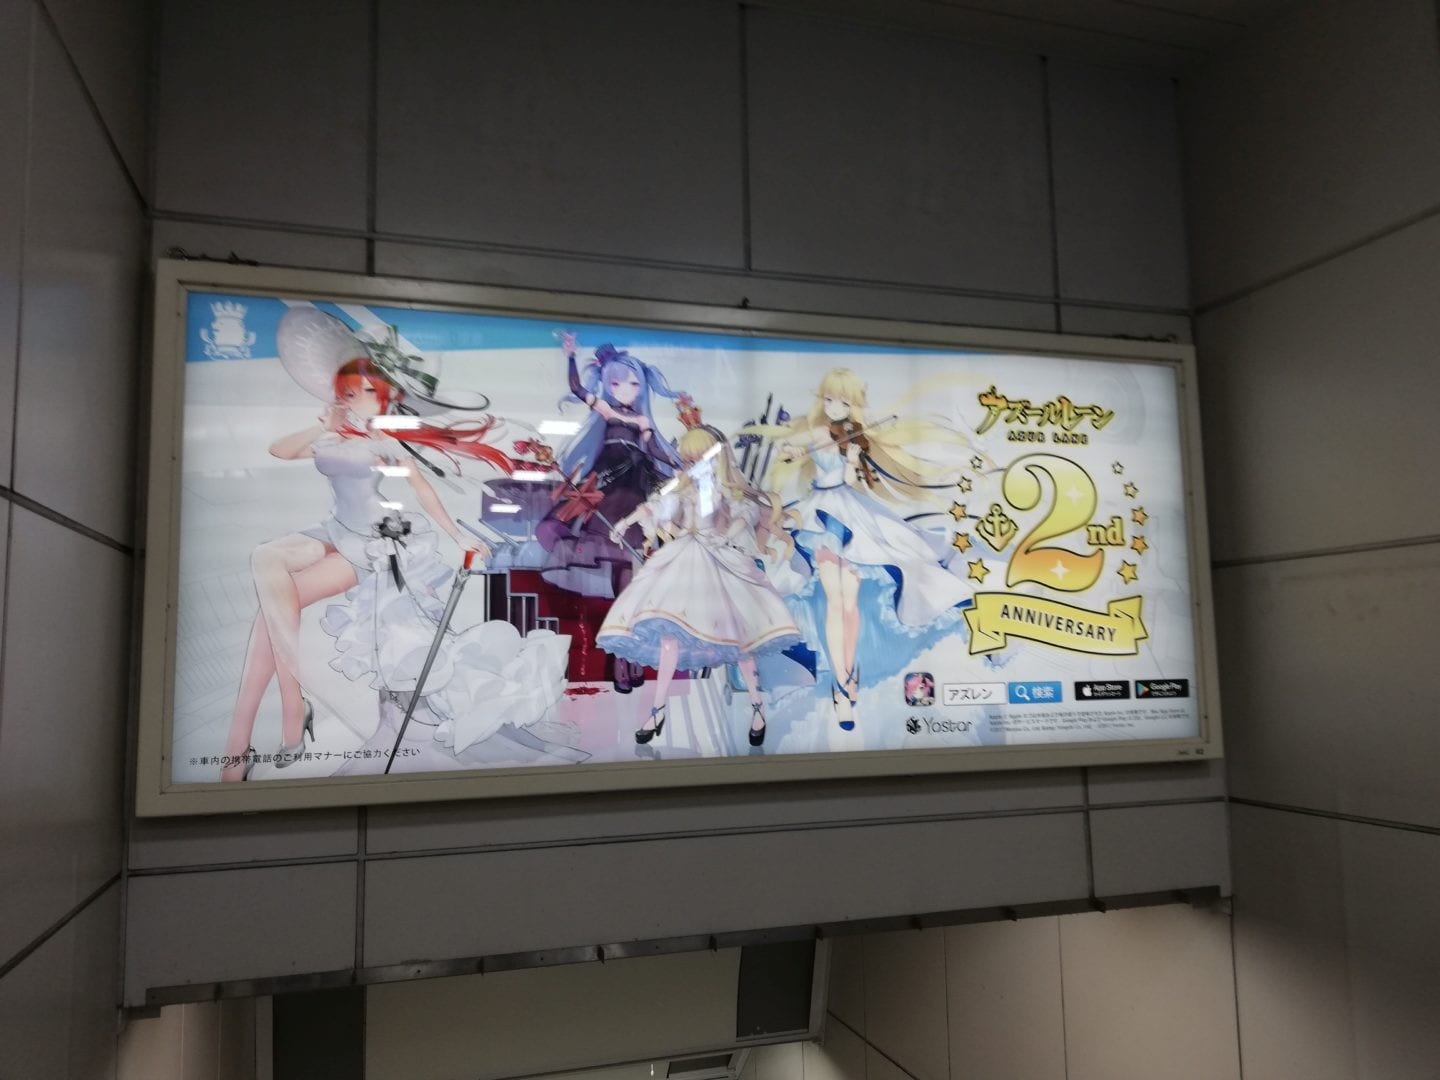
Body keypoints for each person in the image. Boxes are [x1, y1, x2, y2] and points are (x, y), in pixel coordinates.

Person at [220, 311, 569, 780]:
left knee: (272, 609)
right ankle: (290, 708)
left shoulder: (386, 440)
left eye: (367, 391)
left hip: (370, 545)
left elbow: (421, 490)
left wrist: (457, 535)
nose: (356, 399)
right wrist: (324, 424)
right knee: (265, 562)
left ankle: (245, 740)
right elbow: (279, 450)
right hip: (333, 531)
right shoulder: (331, 433)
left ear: (385, 397)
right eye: (349, 392)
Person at [746, 368, 972, 731]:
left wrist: (852, 459)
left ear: (854, 405)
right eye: (829, 399)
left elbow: (850, 480)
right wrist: (793, 449)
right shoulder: (820, 433)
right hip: (820, 517)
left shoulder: (852, 438)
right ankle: (841, 686)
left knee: (848, 605)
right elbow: (791, 446)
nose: (835, 407)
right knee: (836, 603)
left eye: (843, 401)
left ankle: (847, 676)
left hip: (851, 514)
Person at [597, 425, 801, 748]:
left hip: (716, 559)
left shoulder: (723, 490)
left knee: (740, 638)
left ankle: (757, 706)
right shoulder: (683, 489)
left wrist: (726, 532)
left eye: (697, 458)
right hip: (684, 557)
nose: (691, 464)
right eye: (688, 459)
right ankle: (657, 710)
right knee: (668, 635)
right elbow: (657, 507)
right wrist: (625, 522)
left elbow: (743, 514)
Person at [535, 333, 687, 689]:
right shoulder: (606, 410)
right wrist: (570, 355)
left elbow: (657, 452)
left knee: (628, 587)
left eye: (633, 384)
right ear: (607, 383)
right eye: (617, 383)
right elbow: (576, 388)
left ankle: (626, 659)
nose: (625, 390)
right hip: (607, 488)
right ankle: (622, 660)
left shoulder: (643, 421)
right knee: (624, 584)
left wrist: (680, 465)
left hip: (634, 491)